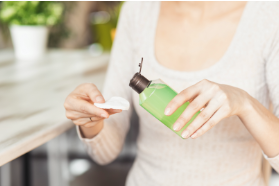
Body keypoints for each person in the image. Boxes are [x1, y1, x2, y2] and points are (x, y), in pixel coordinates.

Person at [64, 2, 279, 185]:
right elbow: (105, 152)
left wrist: (245, 104)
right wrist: (91, 120)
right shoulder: (138, 10)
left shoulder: (269, 16)